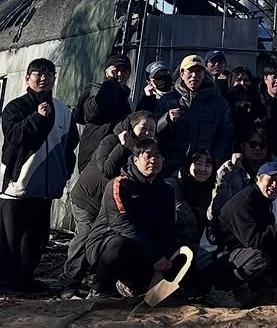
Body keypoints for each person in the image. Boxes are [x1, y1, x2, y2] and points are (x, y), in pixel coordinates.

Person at [0, 58, 78, 292]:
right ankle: (6, 283)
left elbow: (70, 146)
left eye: (48, 74)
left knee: (36, 240)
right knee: (10, 240)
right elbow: (14, 135)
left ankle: (26, 279)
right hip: (17, 187)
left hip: (46, 189)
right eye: (37, 73)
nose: (43, 78)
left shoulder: (63, 110)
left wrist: (62, 175)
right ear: (27, 78)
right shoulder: (16, 107)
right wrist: (38, 117)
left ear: (55, 78)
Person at [83, 139, 178, 299]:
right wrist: (154, 255)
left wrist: (164, 256)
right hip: (107, 242)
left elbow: (167, 227)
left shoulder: (166, 190)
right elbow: (122, 224)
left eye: (158, 156)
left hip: (145, 246)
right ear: (135, 159)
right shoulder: (119, 184)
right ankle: (98, 289)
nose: (154, 160)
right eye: (148, 156)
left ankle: (134, 284)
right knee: (121, 243)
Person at [66, 109, 157, 267]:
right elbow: (107, 170)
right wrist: (122, 147)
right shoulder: (110, 140)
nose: (147, 133)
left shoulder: (146, 152)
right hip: (88, 199)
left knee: (106, 241)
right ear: (131, 126)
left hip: (110, 206)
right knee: (85, 237)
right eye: (144, 128)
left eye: (152, 130)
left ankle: (93, 276)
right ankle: (69, 280)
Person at [206, 160, 277, 299]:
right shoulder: (245, 201)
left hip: (235, 251)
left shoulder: (267, 201)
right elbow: (255, 240)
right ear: (257, 179)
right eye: (271, 180)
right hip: (212, 257)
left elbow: (267, 234)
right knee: (260, 255)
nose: (275, 185)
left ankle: (262, 286)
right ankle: (220, 290)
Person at [155, 55, 234, 167]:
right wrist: (166, 120)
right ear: (182, 74)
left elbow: (226, 135)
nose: (194, 76)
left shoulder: (219, 104)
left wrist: (213, 161)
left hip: (205, 169)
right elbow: (154, 132)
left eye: (198, 72)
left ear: (204, 74)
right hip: (172, 167)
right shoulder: (167, 101)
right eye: (190, 71)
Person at [72, 54, 133, 169]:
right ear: (106, 71)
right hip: (92, 157)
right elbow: (94, 112)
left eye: (124, 71)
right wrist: (111, 82)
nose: (120, 74)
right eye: (116, 70)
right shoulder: (94, 91)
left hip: (115, 157)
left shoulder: (127, 99)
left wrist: (147, 99)